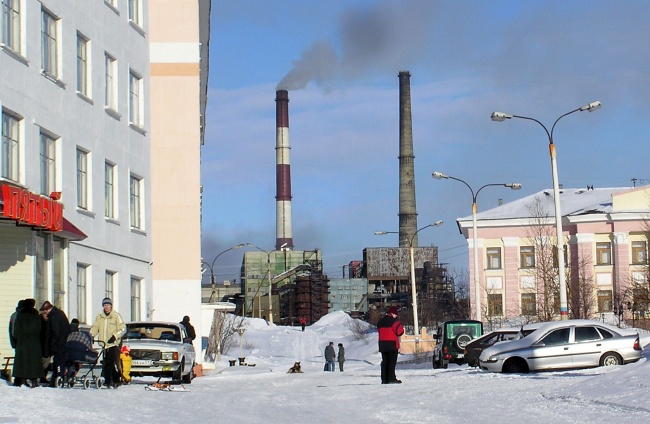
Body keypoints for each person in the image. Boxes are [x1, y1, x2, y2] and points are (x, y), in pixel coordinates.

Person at [90, 297, 126, 388]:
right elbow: (95, 328)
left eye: (108, 305)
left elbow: (123, 329)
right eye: (105, 305)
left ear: (111, 306)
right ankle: (116, 379)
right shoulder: (100, 317)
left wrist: (115, 336)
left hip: (113, 344)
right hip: (104, 344)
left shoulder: (116, 316)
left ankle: (108, 380)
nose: (106, 307)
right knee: (109, 363)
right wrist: (91, 335)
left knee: (108, 362)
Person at [12, 299, 44, 388]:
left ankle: (23, 380)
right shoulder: (35, 313)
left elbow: (16, 328)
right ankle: (34, 381)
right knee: (34, 361)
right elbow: (39, 328)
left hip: (22, 340)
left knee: (22, 360)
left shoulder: (20, 313)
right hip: (34, 340)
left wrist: (18, 337)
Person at [40, 301, 71, 387]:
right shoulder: (59, 313)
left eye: (44, 310)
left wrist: (52, 345)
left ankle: (57, 380)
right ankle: (55, 379)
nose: (44, 313)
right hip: (63, 343)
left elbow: (55, 332)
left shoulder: (53, 317)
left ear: (47, 309)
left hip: (58, 345)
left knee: (58, 362)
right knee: (58, 362)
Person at [377, 306, 404, 384]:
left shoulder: (380, 322)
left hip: (382, 344)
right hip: (392, 344)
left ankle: (384, 379)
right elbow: (400, 332)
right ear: (392, 314)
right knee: (391, 362)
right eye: (395, 314)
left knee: (385, 361)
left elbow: (379, 331)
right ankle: (391, 378)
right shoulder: (394, 322)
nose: (396, 316)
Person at [8, 299, 24, 386]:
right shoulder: (21, 315)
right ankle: (21, 379)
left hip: (15, 341)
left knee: (18, 361)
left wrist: (12, 342)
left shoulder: (13, 315)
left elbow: (10, 330)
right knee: (23, 360)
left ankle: (18, 379)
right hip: (21, 340)